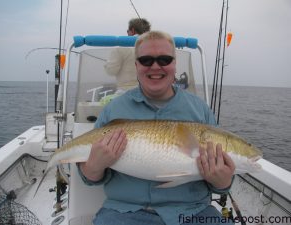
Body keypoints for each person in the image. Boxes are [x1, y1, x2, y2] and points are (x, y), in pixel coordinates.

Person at [78, 31, 235, 225]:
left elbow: (221, 187)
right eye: (146, 60)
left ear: (174, 64)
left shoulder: (200, 110)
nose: (155, 66)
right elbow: (89, 177)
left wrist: (222, 181)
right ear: (136, 65)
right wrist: (93, 167)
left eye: (164, 59)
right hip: (122, 213)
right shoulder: (113, 110)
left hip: (194, 212)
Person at [104, 18, 151, 89]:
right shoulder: (155, 47)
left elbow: (111, 71)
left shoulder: (120, 49)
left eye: (127, 31)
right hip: (150, 91)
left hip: (126, 91)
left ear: (132, 30)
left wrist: (107, 64)